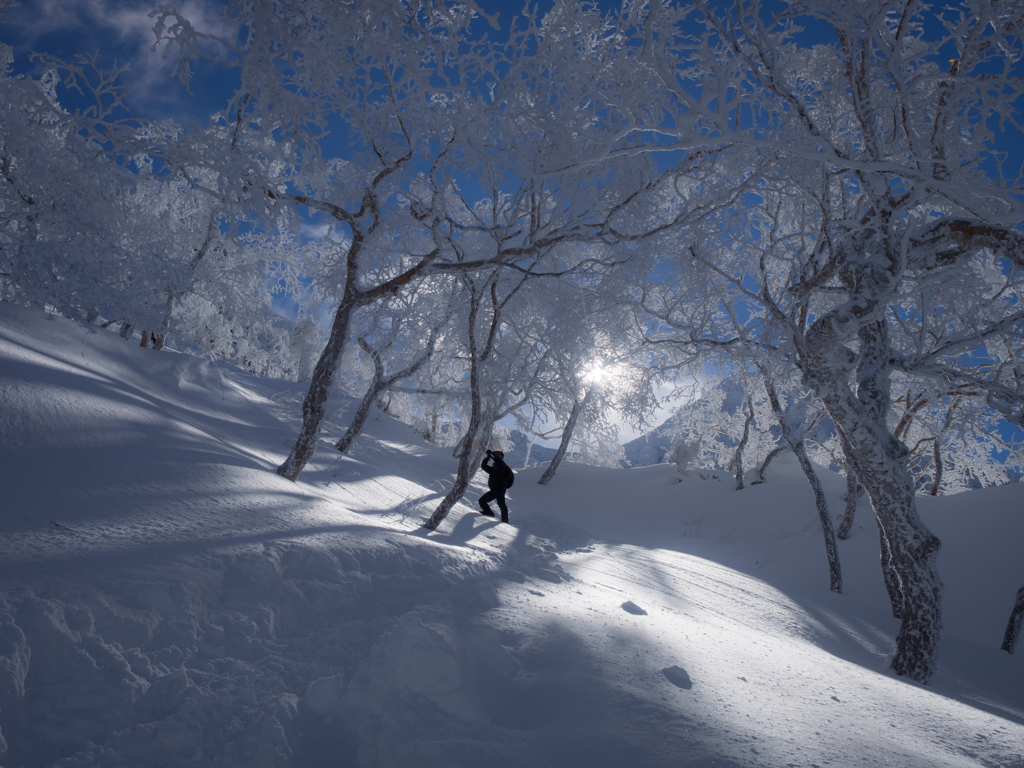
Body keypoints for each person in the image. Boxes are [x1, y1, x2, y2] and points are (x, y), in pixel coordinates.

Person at [479, 449, 514, 524]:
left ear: (502, 457)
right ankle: (489, 513)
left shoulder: (503, 465)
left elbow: (497, 459)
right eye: (496, 454)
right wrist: (488, 457)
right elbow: (483, 466)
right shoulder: (494, 468)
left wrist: (491, 454)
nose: (497, 455)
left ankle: (505, 521)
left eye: (499, 454)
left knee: (501, 504)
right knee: (482, 501)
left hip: (500, 489)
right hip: (494, 490)